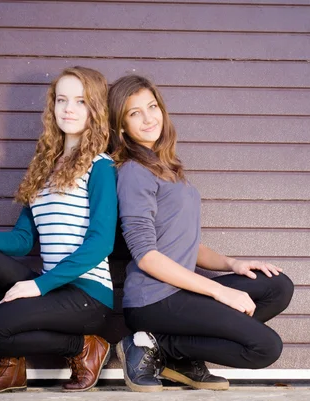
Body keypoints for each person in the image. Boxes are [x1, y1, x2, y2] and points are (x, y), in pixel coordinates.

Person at [107, 74, 294, 393]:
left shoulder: (167, 168)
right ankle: (151, 345)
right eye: (134, 112)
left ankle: (178, 355)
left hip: (179, 291)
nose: (149, 117)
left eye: (152, 107)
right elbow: (148, 257)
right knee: (265, 348)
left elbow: (183, 242)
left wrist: (232, 264)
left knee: (276, 286)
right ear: (121, 125)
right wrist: (219, 291)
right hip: (154, 299)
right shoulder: (133, 172)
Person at [0, 66, 117, 394]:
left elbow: (101, 243)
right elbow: (23, 238)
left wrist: (39, 286)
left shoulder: (101, 167)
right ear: (52, 106)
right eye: (61, 100)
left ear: (96, 109)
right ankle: (11, 368)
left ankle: (85, 346)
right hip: (52, 289)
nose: (69, 108)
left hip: (87, 295)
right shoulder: (43, 167)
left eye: (81, 101)